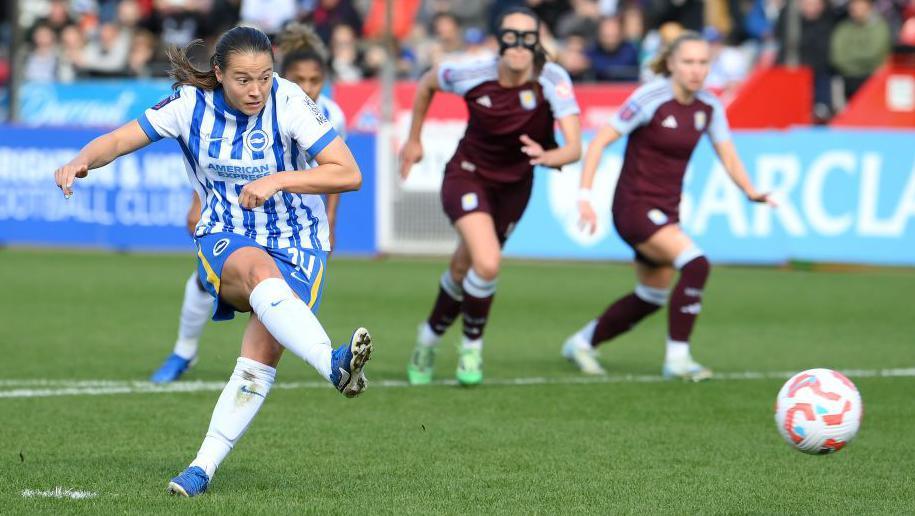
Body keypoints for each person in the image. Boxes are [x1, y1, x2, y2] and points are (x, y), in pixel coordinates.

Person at [53, 26, 372, 496]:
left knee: (258, 360)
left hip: (299, 240)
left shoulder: (290, 101)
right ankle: (332, 363)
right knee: (257, 270)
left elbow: (349, 173)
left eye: (264, 77)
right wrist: (81, 160)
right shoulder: (188, 105)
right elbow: (122, 139)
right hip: (227, 231)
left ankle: (201, 468)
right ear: (219, 73)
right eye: (243, 78)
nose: (256, 90)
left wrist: (279, 181)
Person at [561, 32, 774, 381]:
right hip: (634, 207)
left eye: (703, 62)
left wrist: (750, 191)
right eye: (688, 62)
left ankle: (581, 343)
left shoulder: (709, 106)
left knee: (652, 295)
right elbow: (600, 140)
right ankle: (677, 360)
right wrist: (584, 197)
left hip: (666, 210)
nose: (696, 70)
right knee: (697, 264)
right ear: (672, 64)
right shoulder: (651, 97)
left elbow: (729, 155)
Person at [150, 22, 348, 384]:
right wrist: (200, 203)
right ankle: (183, 351)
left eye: (315, 80)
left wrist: (330, 222)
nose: (307, 88)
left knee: (272, 303)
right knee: (205, 278)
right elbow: (217, 159)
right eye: (298, 78)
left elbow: (336, 174)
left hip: (290, 226)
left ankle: (317, 361)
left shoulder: (322, 114)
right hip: (237, 220)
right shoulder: (259, 99)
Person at [400, 7, 582, 386]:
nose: (518, 46)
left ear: (538, 41)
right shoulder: (467, 72)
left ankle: (428, 338)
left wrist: (550, 156)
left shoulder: (552, 79)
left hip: (515, 187)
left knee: (464, 268)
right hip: (467, 176)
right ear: (498, 40)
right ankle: (472, 348)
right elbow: (426, 85)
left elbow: (575, 148)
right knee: (488, 262)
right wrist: (414, 139)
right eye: (510, 36)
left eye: (527, 37)